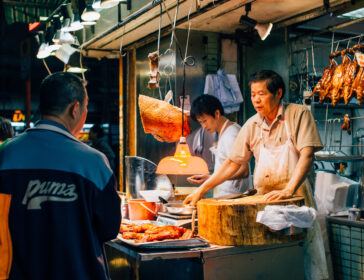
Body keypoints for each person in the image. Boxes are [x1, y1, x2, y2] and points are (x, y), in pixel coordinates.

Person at [184, 70, 328, 280]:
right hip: (264, 205)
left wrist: (288, 190)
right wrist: (201, 190)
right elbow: (233, 163)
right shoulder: (252, 124)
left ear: (278, 93)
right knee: (271, 262)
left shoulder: (298, 114)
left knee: (304, 260)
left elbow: (307, 155)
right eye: (252, 95)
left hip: (297, 202)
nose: (256, 100)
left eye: (261, 94)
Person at [0, 72, 121, 280]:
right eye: (85, 107)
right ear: (75, 109)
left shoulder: (5, 154)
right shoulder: (94, 162)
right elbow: (109, 229)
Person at [187, 94, 251, 197]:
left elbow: (244, 171)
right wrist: (211, 178)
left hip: (234, 198)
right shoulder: (224, 132)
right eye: (200, 122)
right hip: (226, 197)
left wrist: (213, 179)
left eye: (205, 121)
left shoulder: (231, 134)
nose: (204, 126)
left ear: (217, 113)